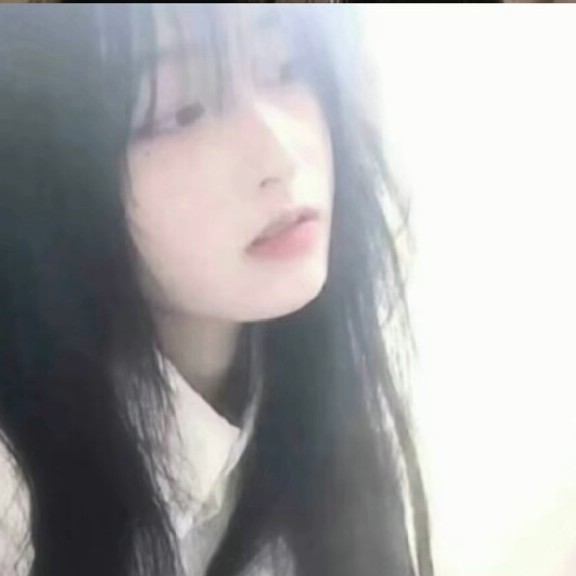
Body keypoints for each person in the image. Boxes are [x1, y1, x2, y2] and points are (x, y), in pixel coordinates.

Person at [0, 4, 433, 576]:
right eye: (180, 110)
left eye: (287, 67)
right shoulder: (17, 493)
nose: (281, 153)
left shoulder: (322, 373)